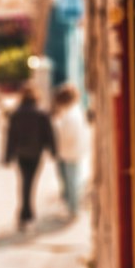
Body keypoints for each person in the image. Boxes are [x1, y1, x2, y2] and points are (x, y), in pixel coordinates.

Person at [5, 83, 56, 230]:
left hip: (21, 153)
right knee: (30, 181)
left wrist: (8, 155)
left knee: (24, 181)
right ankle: (26, 212)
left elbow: (10, 136)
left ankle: (26, 211)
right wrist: (53, 150)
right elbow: (49, 133)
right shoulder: (41, 112)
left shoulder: (16, 113)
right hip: (35, 153)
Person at [52, 84, 88, 218]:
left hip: (70, 152)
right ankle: (72, 207)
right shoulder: (73, 112)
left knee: (72, 181)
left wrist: (57, 125)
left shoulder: (71, 115)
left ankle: (74, 209)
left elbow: (67, 135)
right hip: (71, 151)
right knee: (71, 180)